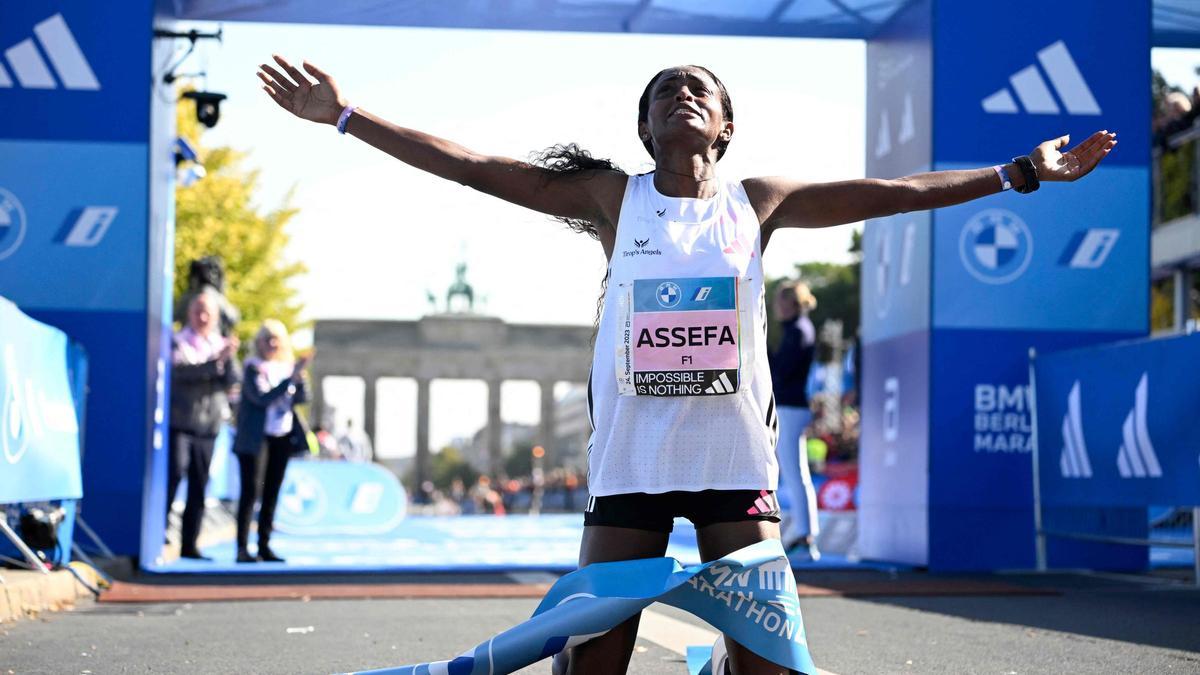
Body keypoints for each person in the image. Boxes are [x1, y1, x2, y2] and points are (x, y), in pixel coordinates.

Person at [256, 55, 1115, 673]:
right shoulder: (611, 198)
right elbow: (480, 170)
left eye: (698, 89)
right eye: (664, 91)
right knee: (594, 660)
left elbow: (890, 194)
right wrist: (344, 116)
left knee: (768, 661)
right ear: (644, 128)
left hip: (734, 463)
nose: (681, 96)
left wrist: (1014, 174)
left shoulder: (758, 203)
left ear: (726, 126)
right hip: (632, 463)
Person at [167, 290, 240, 560]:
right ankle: (160, 530)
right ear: (189, 312)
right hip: (181, 421)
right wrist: (213, 364)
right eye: (198, 310)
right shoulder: (178, 341)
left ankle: (190, 543)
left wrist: (228, 357)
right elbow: (181, 373)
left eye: (208, 312)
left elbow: (232, 379)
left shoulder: (220, 344)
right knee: (175, 474)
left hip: (208, 427)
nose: (202, 316)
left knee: (200, 485)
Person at [231, 320, 310, 563]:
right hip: (256, 439)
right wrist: (289, 380)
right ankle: (243, 548)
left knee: (272, 492)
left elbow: (302, 399)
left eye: (276, 339)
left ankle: (264, 544)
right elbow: (261, 398)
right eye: (267, 339)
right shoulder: (252, 368)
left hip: (282, 436)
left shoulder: (287, 368)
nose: (272, 344)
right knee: (251, 492)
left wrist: (300, 379)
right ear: (259, 343)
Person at [768, 281, 820, 561]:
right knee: (794, 473)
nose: (776, 307)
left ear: (791, 303)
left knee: (794, 473)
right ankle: (804, 534)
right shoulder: (798, 330)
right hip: (789, 405)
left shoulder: (799, 331)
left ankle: (805, 536)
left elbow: (782, 372)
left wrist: (762, 349)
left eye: (780, 301)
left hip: (790, 406)